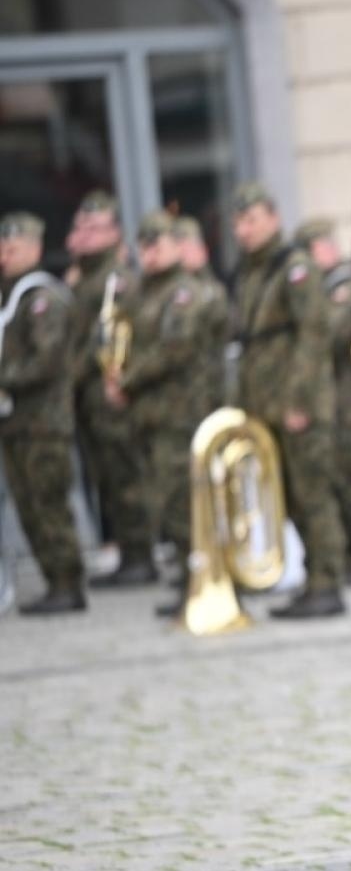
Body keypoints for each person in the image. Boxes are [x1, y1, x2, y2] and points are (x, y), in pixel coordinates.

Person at [231, 182, 347, 619]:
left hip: (298, 405)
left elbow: (312, 336)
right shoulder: (251, 272)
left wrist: (298, 400)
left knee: (313, 492)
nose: (244, 230)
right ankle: (312, 578)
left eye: (252, 220)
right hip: (266, 404)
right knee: (292, 498)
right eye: (239, 222)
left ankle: (328, 583)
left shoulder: (294, 266)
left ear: (273, 220)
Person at [105, 211, 210, 618]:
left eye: (159, 245)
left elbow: (174, 348)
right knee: (168, 503)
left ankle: (198, 585)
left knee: (182, 504)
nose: (151, 253)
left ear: (174, 247)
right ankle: (188, 582)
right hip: (151, 417)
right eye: (144, 246)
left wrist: (126, 380)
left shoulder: (182, 291)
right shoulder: (142, 292)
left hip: (178, 415)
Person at [0, 212, 84, 615]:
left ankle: (67, 582)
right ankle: (55, 581)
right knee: (28, 503)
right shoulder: (12, 298)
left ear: (33, 249)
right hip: (17, 423)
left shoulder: (41, 299)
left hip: (44, 422)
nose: (4, 254)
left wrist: (4, 377)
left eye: (12, 247)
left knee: (49, 502)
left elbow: (45, 361)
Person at [69, 191, 155, 587]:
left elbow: (102, 339)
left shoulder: (113, 279)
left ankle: (140, 556)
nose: (85, 235)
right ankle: (127, 553)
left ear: (114, 233)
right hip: (88, 396)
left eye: (96, 228)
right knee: (106, 476)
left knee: (125, 477)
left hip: (109, 393)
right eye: (82, 227)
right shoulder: (84, 276)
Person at [296, 218, 351, 586]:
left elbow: (329, 332)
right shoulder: (316, 290)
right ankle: (346, 555)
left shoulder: (346, 286)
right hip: (325, 400)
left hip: (347, 401)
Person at [172, 216, 230, 413]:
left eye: (187, 247)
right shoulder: (172, 291)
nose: (182, 255)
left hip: (210, 385)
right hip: (180, 392)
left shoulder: (211, 290)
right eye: (178, 247)